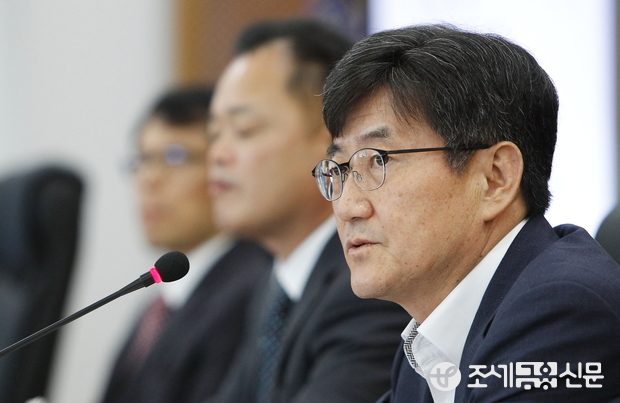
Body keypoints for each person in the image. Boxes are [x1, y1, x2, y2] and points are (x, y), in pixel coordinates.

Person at [313, 24, 620, 402]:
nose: (347, 207)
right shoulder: (427, 342)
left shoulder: (562, 312)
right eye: (340, 170)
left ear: (494, 179)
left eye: (378, 160)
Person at [206, 19, 410, 403]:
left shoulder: (367, 287)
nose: (217, 154)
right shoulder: (275, 288)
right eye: (214, 135)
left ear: (330, 140)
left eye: (244, 130)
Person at [100, 87, 272, 403]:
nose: (149, 179)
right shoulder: (161, 300)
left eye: (175, 157)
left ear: (224, 167)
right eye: (142, 159)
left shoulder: (251, 288)